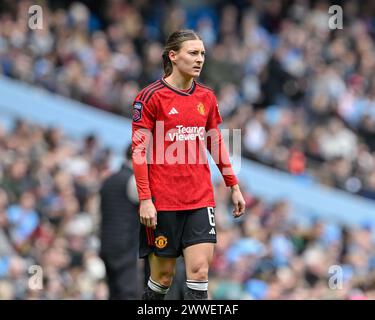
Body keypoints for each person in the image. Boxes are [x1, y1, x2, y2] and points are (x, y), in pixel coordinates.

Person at [131, 29, 246, 300]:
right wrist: (145, 199)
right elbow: (139, 152)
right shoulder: (150, 97)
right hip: (163, 203)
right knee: (162, 278)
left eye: (202, 54)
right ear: (173, 56)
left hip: (199, 199)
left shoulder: (206, 97)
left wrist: (233, 185)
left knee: (199, 272)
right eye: (193, 53)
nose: (200, 59)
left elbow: (215, 143)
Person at [99, 144, 140, 299]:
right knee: (127, 292)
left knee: (114, 292)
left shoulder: (109, 180)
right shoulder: (133, 181)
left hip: (107, 244)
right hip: (125, 246)